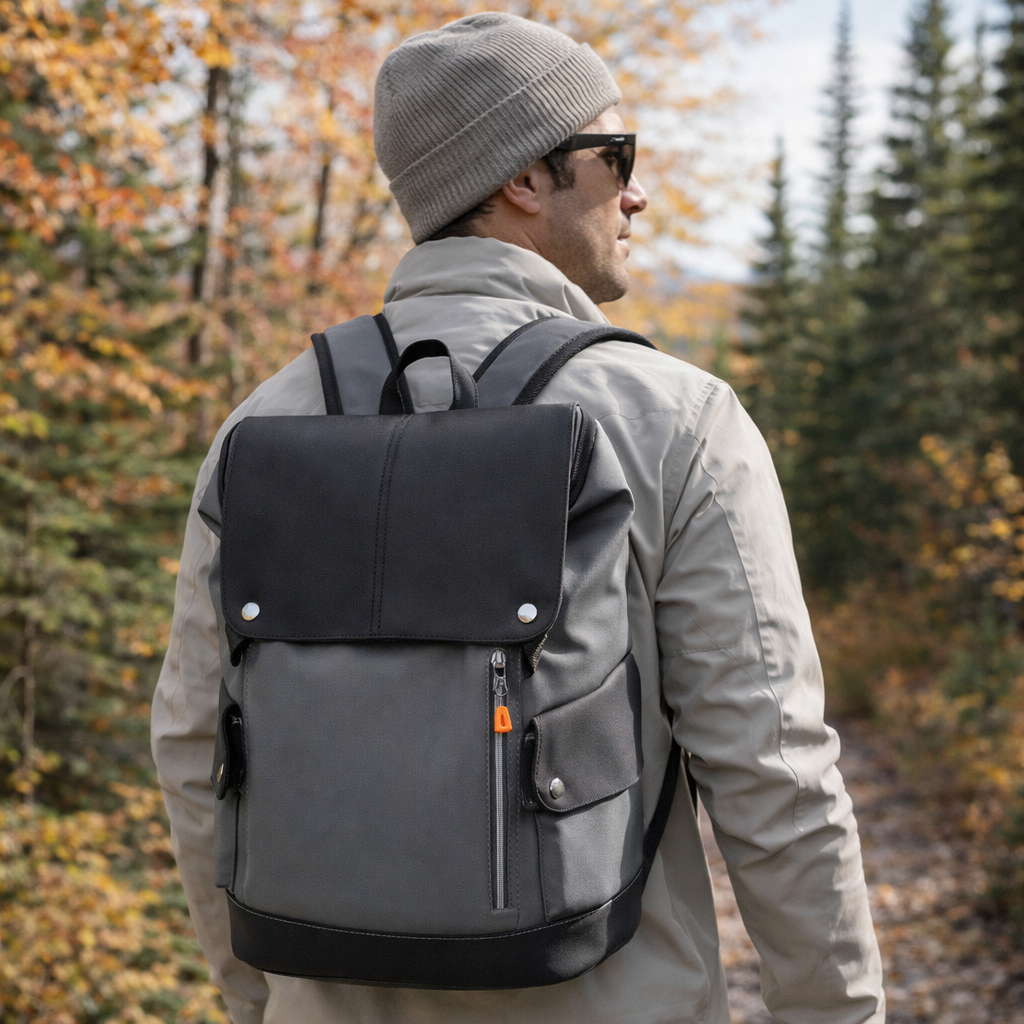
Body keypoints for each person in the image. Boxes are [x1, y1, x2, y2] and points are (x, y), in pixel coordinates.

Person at [152, 12, 886, 1024]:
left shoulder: (263, 425)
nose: (637, 189)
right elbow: (774, 771)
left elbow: (194, 746)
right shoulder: (673, 419)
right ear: (522, 179)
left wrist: (260, 998)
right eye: (613, 154)